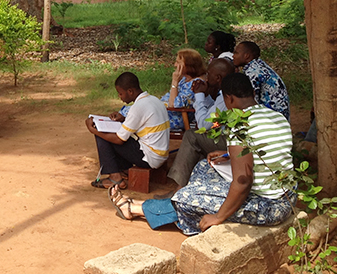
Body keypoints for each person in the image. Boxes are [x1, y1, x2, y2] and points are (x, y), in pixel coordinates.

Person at [108, 73, 295, 236]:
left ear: (228, 99)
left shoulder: (239, 124)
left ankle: (136, 208)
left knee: (187, 199)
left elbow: (243, 181)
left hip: (268, 205)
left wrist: (219, 216)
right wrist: (230, 154)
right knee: (205, 166)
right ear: (253, 94)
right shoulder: (276, 117)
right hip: (287, 195)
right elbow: (269, 151)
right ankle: (189, 199)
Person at [156, 58, 235, 198]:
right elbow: (213, 111)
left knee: (192, 136)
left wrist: (198, 95)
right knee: (196, 141)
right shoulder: (224, 94)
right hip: (225, 137)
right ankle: (185, 190)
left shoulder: (225, 97)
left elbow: (205, 125)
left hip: (230, 142)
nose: (206, 76)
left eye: (209, 74)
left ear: (218, 78)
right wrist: (204, 95)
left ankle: (178, 191)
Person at [85, 72, 170, 190]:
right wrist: (124, 120)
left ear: (130, 91)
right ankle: (123, 169)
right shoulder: (154, 100)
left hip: (150, 158)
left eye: (120, 93)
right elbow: (144, 125)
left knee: (103, 134)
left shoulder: (138, 107)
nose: (119, 97)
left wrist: (94, 130)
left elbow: (119, 140)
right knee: (114, 134)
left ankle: (115, 178)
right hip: (160, 155)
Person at [232, 41, 290, 120]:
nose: (233, 56)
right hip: (279, 115)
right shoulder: (258, 65)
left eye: (236, 53)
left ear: (246, 56)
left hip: (273, 118)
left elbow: (249, 101)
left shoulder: (253, 72)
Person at [160, 49, 206, 131]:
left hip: (174, 119)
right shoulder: (184, 79)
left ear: (188, 65)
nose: (175, 65)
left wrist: (174, 81)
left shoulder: (196, 84)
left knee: (132, 115)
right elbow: (167, 97)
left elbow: (173, 105)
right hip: (164, 113)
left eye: (178, 62)